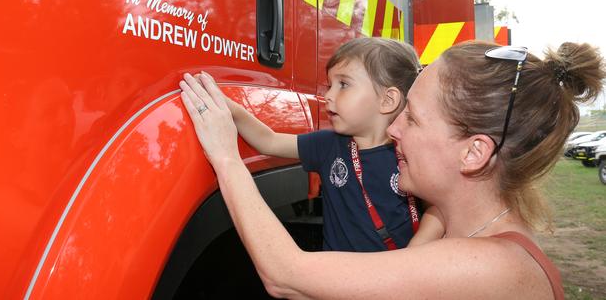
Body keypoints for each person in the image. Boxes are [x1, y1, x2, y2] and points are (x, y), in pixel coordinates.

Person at [179, 40, 603, 299]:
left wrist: (225, 157)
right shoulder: (464, 235)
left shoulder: (491, 267)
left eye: (413, 118)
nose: (394, 129)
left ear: (474, 154)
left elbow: (285, 275)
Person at [197, 37, 421, 251]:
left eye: (343, 84)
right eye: (329, 85)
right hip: (336, 281)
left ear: (387, 100)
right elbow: (269, 141)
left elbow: (437, 212)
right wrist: (226, 105)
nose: (329, 96)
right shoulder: (327, 145)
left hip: (395, 281)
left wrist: (415, 254)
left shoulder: (411, 153)